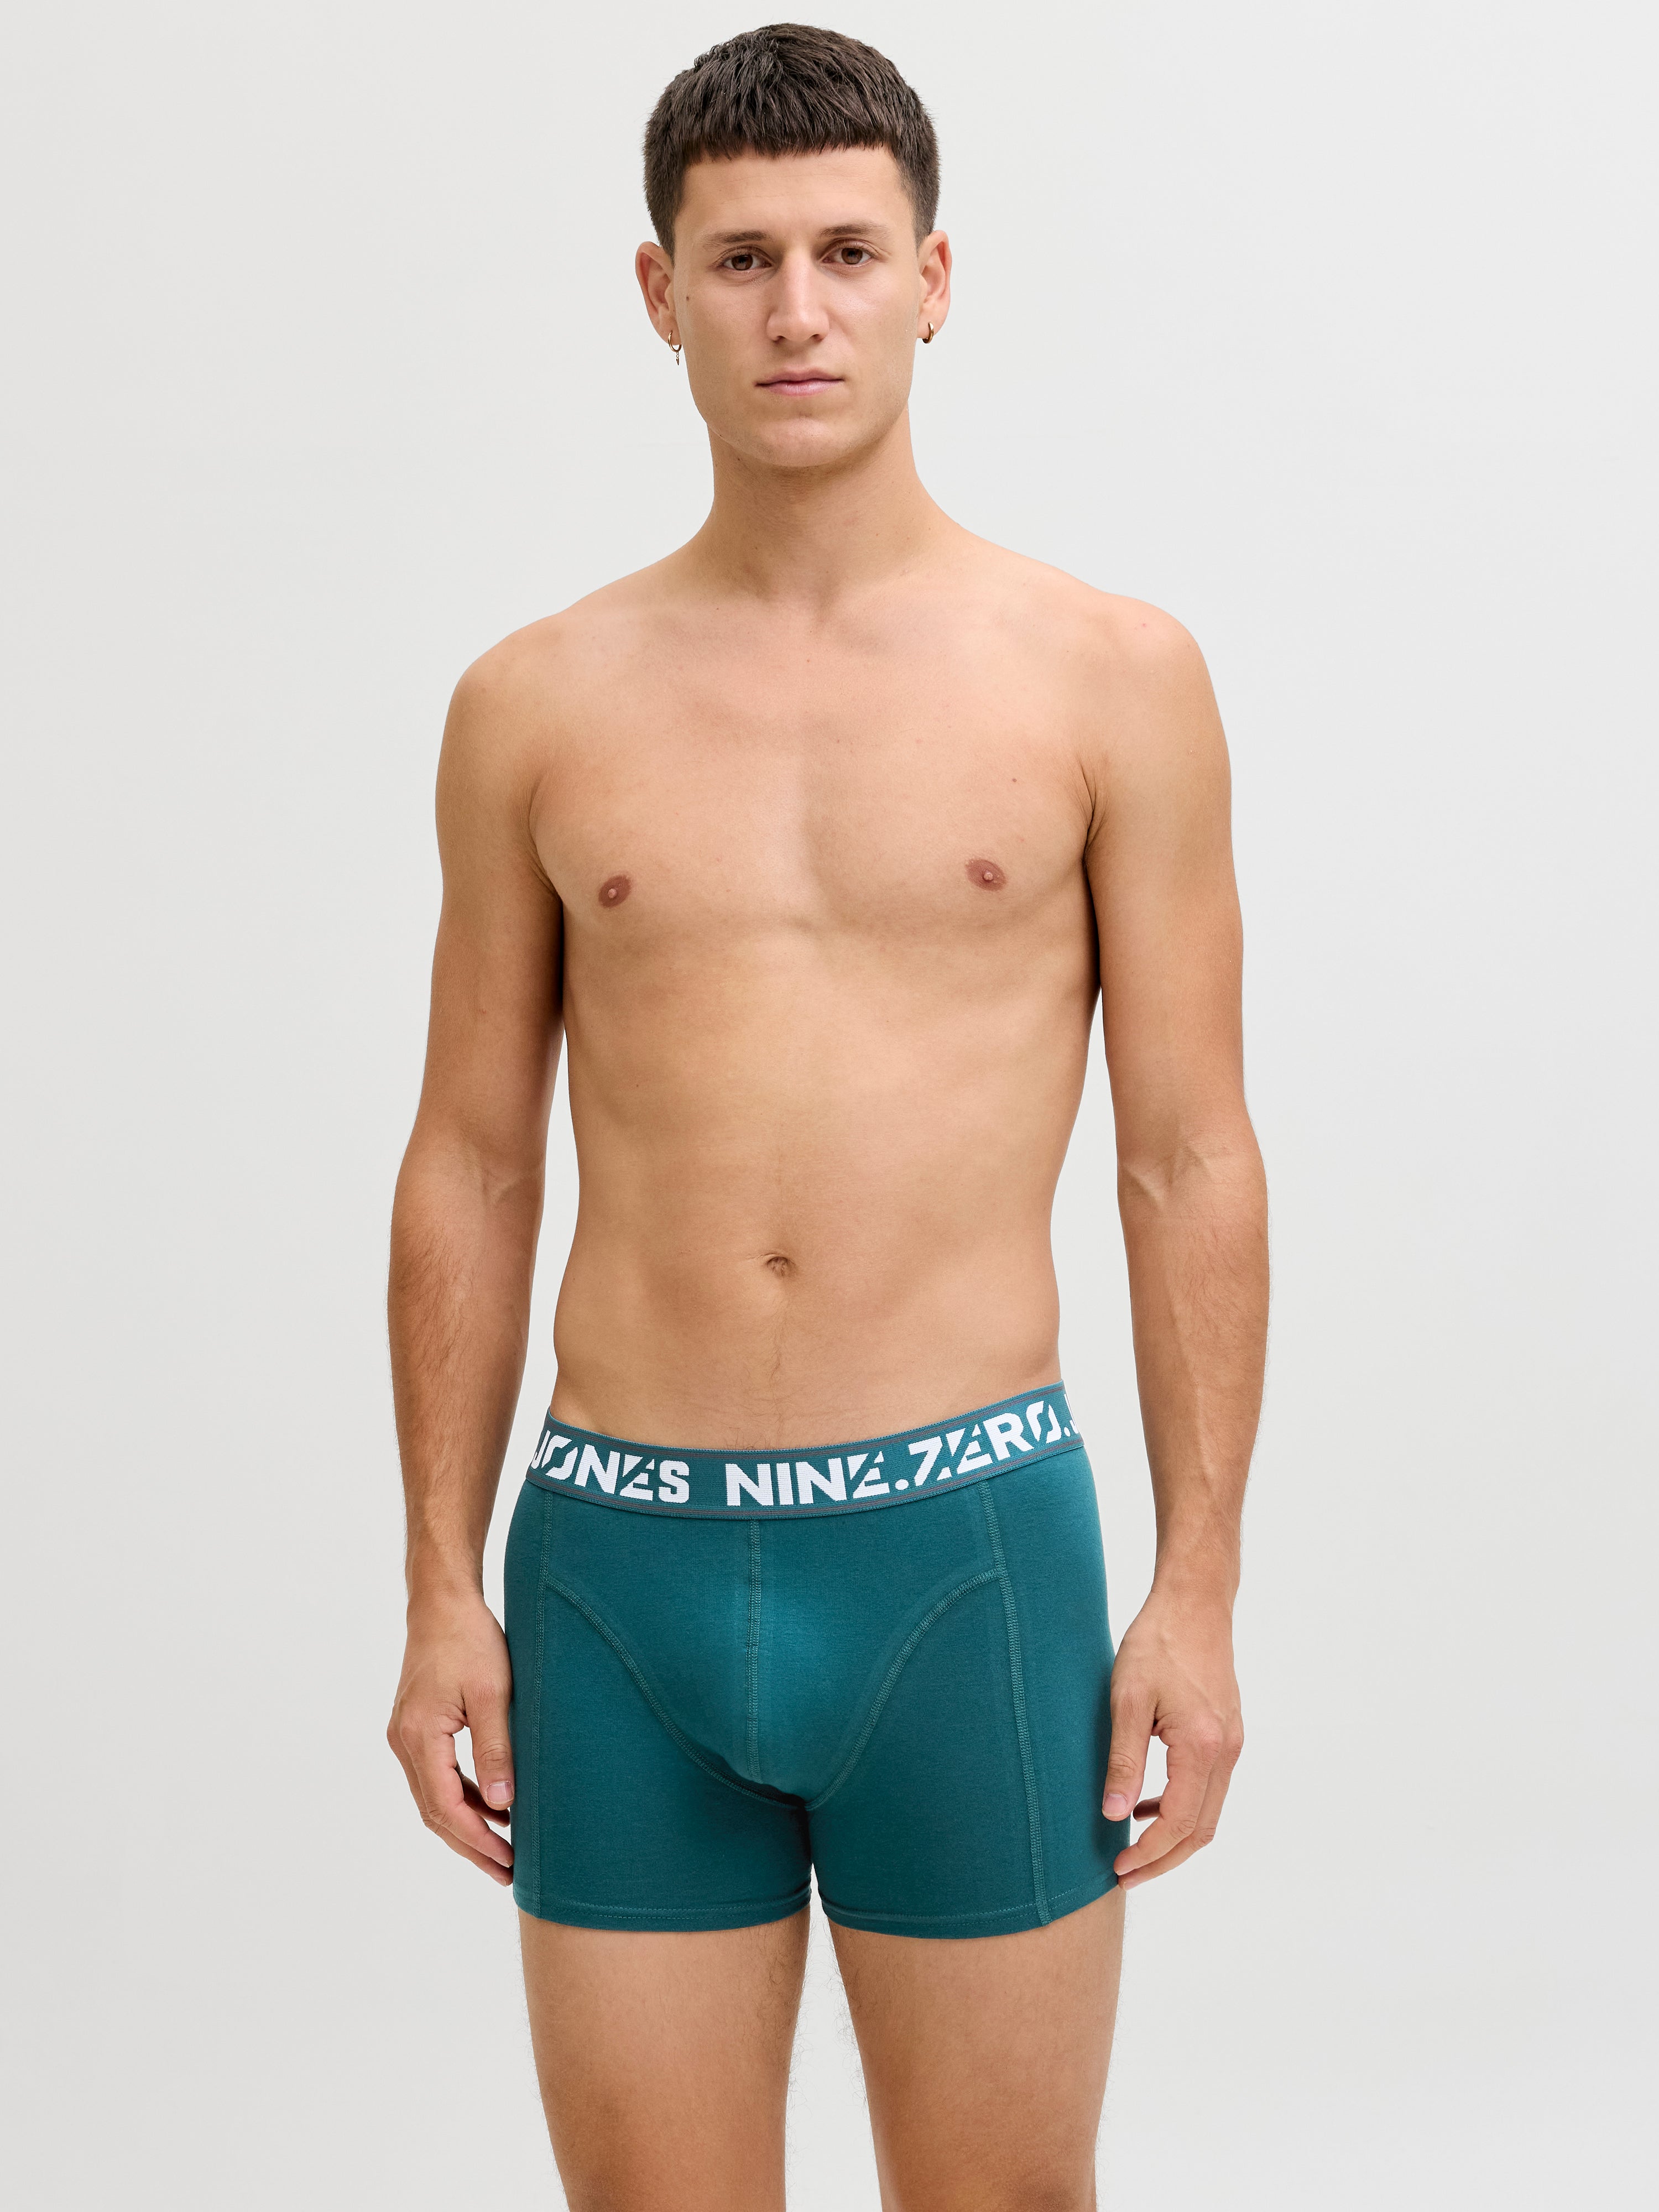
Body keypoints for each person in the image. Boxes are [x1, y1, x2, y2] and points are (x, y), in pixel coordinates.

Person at [386, 23, 1266, 2210]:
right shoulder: (533, 705)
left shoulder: (1108, 679)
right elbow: (471, 1160)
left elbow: (1187, 1155)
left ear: (934, 280)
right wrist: (435, 1585)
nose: (799, 309)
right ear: (661, 292)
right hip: (615, 1574)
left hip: (964, 1559)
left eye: (849, 253)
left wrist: (1198, 1590)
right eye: (745, 258)